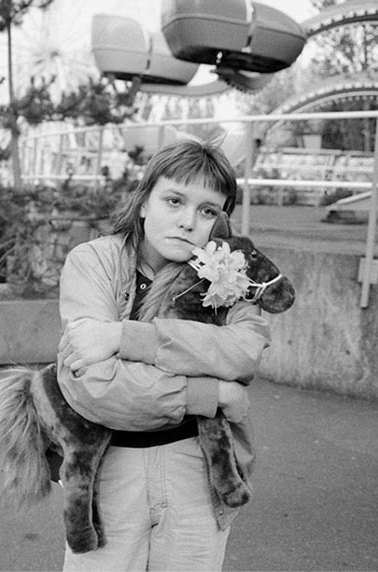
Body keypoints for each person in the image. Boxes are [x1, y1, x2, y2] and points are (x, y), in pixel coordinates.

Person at [55, 138, 271, 571]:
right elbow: (96, 386)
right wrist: (212, 396)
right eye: (174, 200)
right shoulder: (93, 262)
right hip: (111, 467)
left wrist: (124, 338)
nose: (189, 221)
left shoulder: (229, 271)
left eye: (207, 210)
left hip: (199, 465)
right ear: (143, 202)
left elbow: (244, 352)